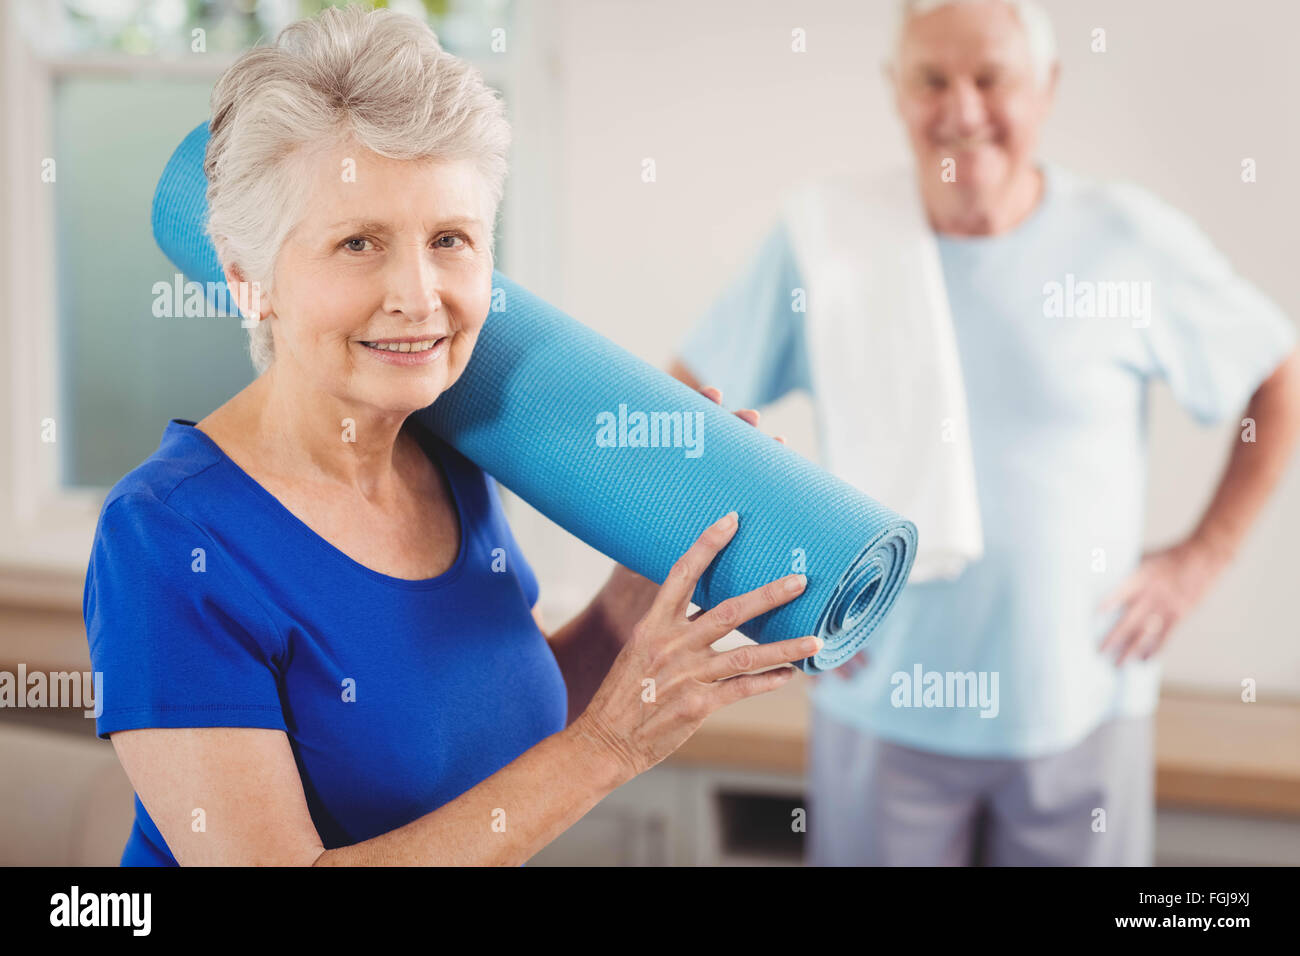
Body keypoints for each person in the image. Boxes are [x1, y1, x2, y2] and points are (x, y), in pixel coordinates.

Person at [84, 5, 815, 866]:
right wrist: (610, 750)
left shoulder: (449, 450)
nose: (419, 294)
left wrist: (635, 599)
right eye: (359, 242)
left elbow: (497, 727)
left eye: (450, 239)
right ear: (249, 282)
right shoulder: (168, 538)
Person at [670, 0, 1300, 865]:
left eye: (991, 78)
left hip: (1081, 709)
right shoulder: (827, 241)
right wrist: (772, 586)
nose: (962, 110)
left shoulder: (1127, 240)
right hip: (878, 709)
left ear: (1046, 87)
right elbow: (686, 411)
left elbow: (1274, 369)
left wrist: (1201, 560)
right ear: (896, 91)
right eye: (932, 79)